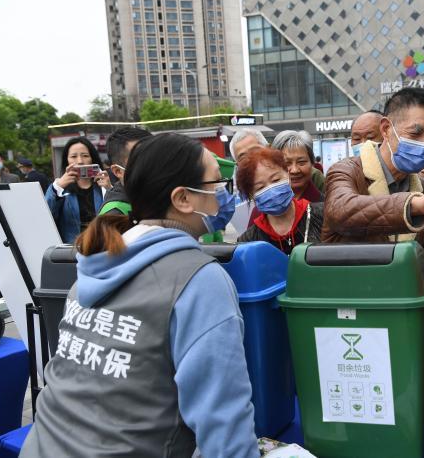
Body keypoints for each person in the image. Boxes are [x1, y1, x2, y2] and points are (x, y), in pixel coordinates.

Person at [20, 133, 258, 458]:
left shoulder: (97, 263)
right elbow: (224, 426)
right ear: (182, 198)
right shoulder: (199, 280)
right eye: (216, 182)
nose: (223, 193)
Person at [321, 87, 424, 259]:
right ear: (386, 129)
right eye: (415, 133)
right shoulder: (346, 171)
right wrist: (415, 205)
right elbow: (340, 210)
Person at [237, 148, 323, 254]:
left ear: (288, 175)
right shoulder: (249, 240)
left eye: (276, 180)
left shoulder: (322, 215)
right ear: (251, 196)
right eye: (260, 188)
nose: (272, 191)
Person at [45, 137, 106, 243]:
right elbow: (45, 216)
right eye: (73, 156)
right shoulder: (59, 189)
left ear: (92, 158)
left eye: (85, 156)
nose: (80, 161)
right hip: (71, 249)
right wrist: (58, 187)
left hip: (103, 247)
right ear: (67, 161)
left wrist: (108, 189)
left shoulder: (104, 186)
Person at [99, 127, 152, 216]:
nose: (151, 164)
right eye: (140, 159)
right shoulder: (114, 215)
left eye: (153, 155)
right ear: (118, 171)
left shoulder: (154, 196)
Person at [272, 130, 323, 203]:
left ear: (312, 163)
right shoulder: (265, 205)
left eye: (301, 162)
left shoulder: (326, 206)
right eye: (287, 163)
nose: (295, 170)